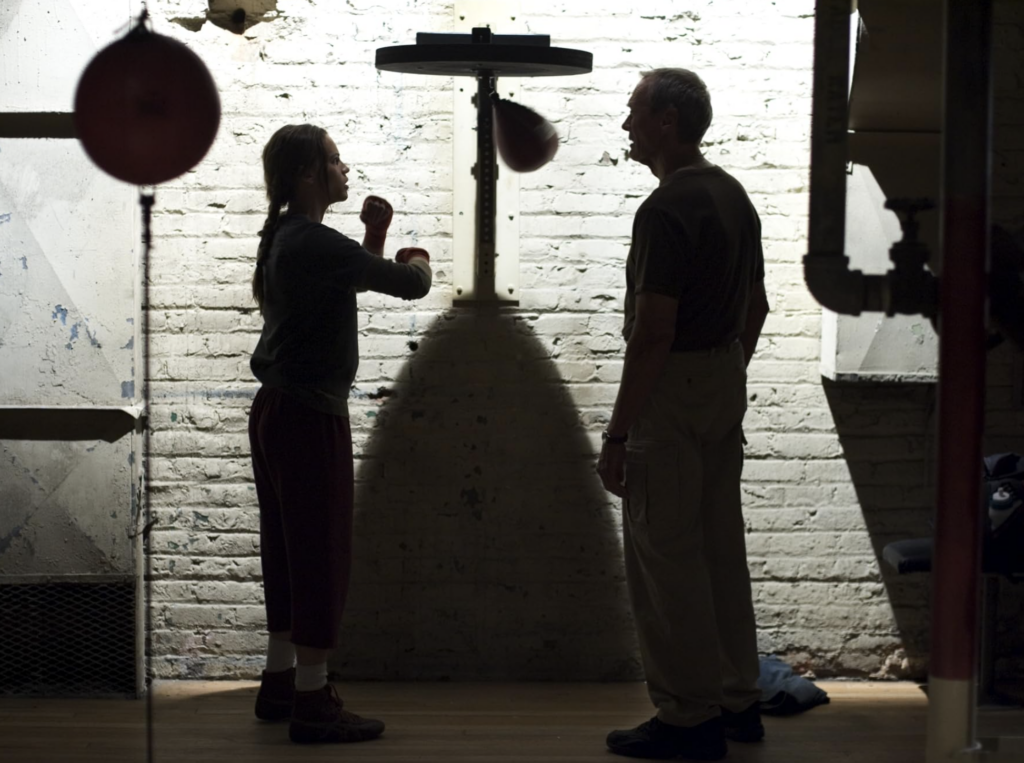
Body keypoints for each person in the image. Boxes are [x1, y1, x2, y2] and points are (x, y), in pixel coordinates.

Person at [597, 69, 770, 761]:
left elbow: (654, 333)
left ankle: (687, 718)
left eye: (635, 110)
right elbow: (755, 308)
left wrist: (617, 432)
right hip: (724, 375)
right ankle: (737, 699)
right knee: (720, 546)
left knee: (664, 558)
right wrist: (722, 376)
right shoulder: (732, 195)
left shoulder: (664, 210)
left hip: (672, 389)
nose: (626, 122)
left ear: (667, 120)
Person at [246, 123, 432, 745]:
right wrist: (415, 255)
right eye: (333, 160)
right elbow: (411, 285)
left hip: (276, 410)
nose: (344, 167)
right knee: (321, 553)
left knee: (287, 550)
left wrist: (374, 237)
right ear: (308, 175)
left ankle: (280, 682)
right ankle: (313, 700)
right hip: (308, 416)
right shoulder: (311, 241)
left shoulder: (287, 239)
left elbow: (345, 276)